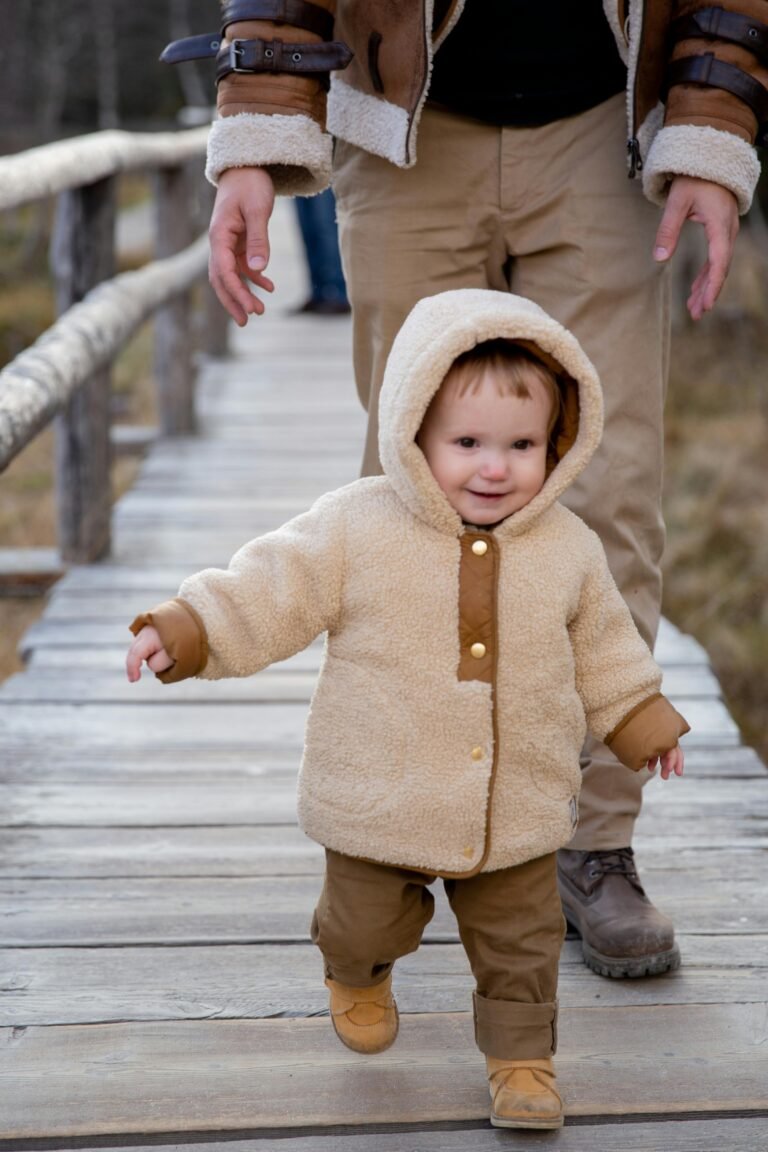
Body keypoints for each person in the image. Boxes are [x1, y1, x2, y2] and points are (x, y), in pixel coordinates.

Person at [159, 1, 766, 977]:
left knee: (610, 499)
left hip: (602, 121)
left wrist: (709, 129)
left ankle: (591, 844)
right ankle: (399, 826)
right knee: (408, 505)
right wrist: (254, 137)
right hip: (407, 124)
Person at [125, 289, 688, 1130]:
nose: (494, 468)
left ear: (558, 444)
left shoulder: (569, 547)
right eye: (467, 444)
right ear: (412, 434)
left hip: (514, 804)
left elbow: (607, 648)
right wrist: (189, 628)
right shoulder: (357, 526)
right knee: (363, 924)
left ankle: (522, 1063)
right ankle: (355, 969)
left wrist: (641, 720)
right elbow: (270, 588)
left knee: (524, 945)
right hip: (380, 792)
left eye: (522, 446)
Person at [293, 187, 350, 314]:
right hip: (297, 175)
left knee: (325, 225)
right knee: (308, 229)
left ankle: (338, 293)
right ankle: (318, 292)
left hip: (327, 176)